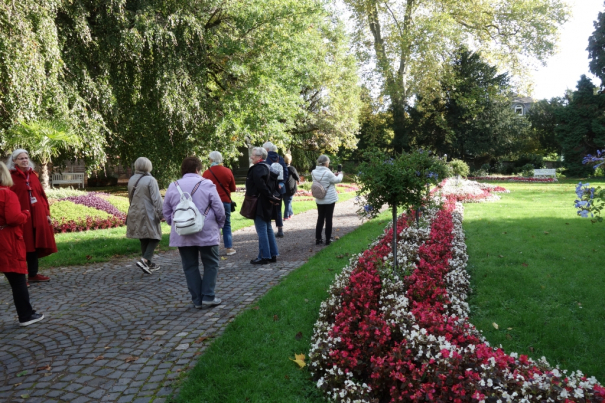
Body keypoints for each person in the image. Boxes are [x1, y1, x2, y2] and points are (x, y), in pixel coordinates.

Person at [163, 156, 226, 308]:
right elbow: (219, 208)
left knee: (189, 266)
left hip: (183, 233)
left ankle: (197, 300)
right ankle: (209, 296)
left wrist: (177, 225)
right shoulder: (207, 184)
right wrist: (220, 224)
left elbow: (166, 211)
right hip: (206, 231)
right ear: (198, 169)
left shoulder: (173, 186)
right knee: (211, 263)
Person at [0, 161, 45, 326]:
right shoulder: (7, 194)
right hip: (8, 239)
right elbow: (13, 218)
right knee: (18, 280)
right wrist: (25, 214)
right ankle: (25, 315)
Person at [8, 149, 57, 283]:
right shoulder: (10, 177)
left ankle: (33, 274)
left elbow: (41, 196)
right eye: (21, 158)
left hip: (37, 215)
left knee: (34, 243)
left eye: (26, 157)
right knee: (23, 245)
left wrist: (46, 214)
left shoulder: (33, 175)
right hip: (21, 216)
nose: (24, 160)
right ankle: (21, 277)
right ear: (14, 161)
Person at [126, 157, 164, 274]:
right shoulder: (150, 180)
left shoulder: (132, 179)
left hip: (134, 211)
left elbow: (130, 197)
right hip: (147, 212)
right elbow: (156, 199)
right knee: (156, 236)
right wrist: (162, 213)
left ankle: (148, 264)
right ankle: (145, 259)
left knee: (143, 237)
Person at [246, 147, 281, 265]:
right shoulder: (268, 167)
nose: (251, 157)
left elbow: (261, 186)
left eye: (253, 155)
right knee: (268, 229)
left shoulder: (258, 169)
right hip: (267, 202)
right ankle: (272, 254)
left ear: (259, 157)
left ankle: (263, 256)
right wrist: (271, 197)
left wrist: (270, 196)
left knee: (262, 230)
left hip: (259, 202)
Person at [202, 151, 237, 256]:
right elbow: (233, 188)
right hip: (225, 200)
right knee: (226, 224)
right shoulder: (227, 171)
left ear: (211, 160)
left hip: (211, 202)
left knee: (212, 225)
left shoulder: (206, 173)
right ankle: (229, 248)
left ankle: (213, 248)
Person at [311, 155, 343, 245]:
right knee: (328, 218)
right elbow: (337, 180)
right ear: (326, 163)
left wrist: (333, 175)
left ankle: (318, 238)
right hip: (329, 199)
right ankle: (328, 239)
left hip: (319, 198)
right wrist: (340, 174)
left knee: (320, 217)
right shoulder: (328, 173)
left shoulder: (313, 172)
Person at [263, 142, 288, 237]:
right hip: (280, 188)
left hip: (269, 188)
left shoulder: (265, 159)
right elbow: (286, 171)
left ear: (267, 150)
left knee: (267, 208)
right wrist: (282, 183)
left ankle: (268, 230)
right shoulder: (280, 158)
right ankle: (280, 229)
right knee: (278, 208)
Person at [283, 153, 300, 220]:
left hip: (283, 187)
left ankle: (291, 213)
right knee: (288, 202)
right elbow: (297, 177)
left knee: (286, 201)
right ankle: (286, 216)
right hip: (290, 188)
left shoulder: (282, 168)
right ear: (290, 160)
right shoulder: (292, 168)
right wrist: (298, 181)